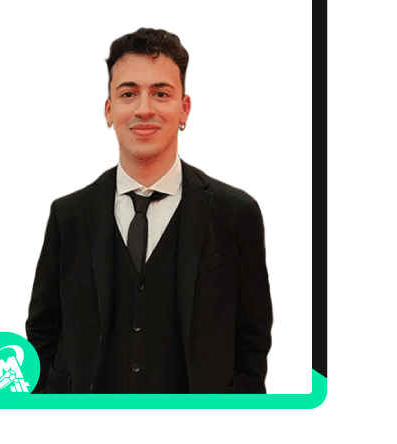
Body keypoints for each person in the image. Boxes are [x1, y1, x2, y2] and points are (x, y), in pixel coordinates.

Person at [26, 28, 272, 394]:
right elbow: (42, 333)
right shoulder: (69, 216)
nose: (144, 109)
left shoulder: (236, 213)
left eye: (160, 93)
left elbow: (252, 339)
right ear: (109, 110)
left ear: (184, 109)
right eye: (128, 94)